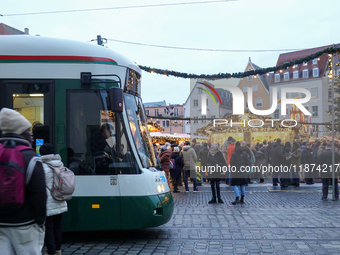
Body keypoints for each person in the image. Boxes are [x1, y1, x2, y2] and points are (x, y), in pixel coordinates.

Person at [0, 108, 47, 254]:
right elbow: (39, 195)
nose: (31, 135)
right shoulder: (30, 157)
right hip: (25, 225)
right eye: (28, 130)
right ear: (20, 132)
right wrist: (41, 222)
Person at [40, 143, 68, 255]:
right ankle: (58, 250)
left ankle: (51, 251)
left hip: (48, 201)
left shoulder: (42, 166)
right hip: (60, 199)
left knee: (48, 228)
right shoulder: (60, 164)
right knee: (57, 227)